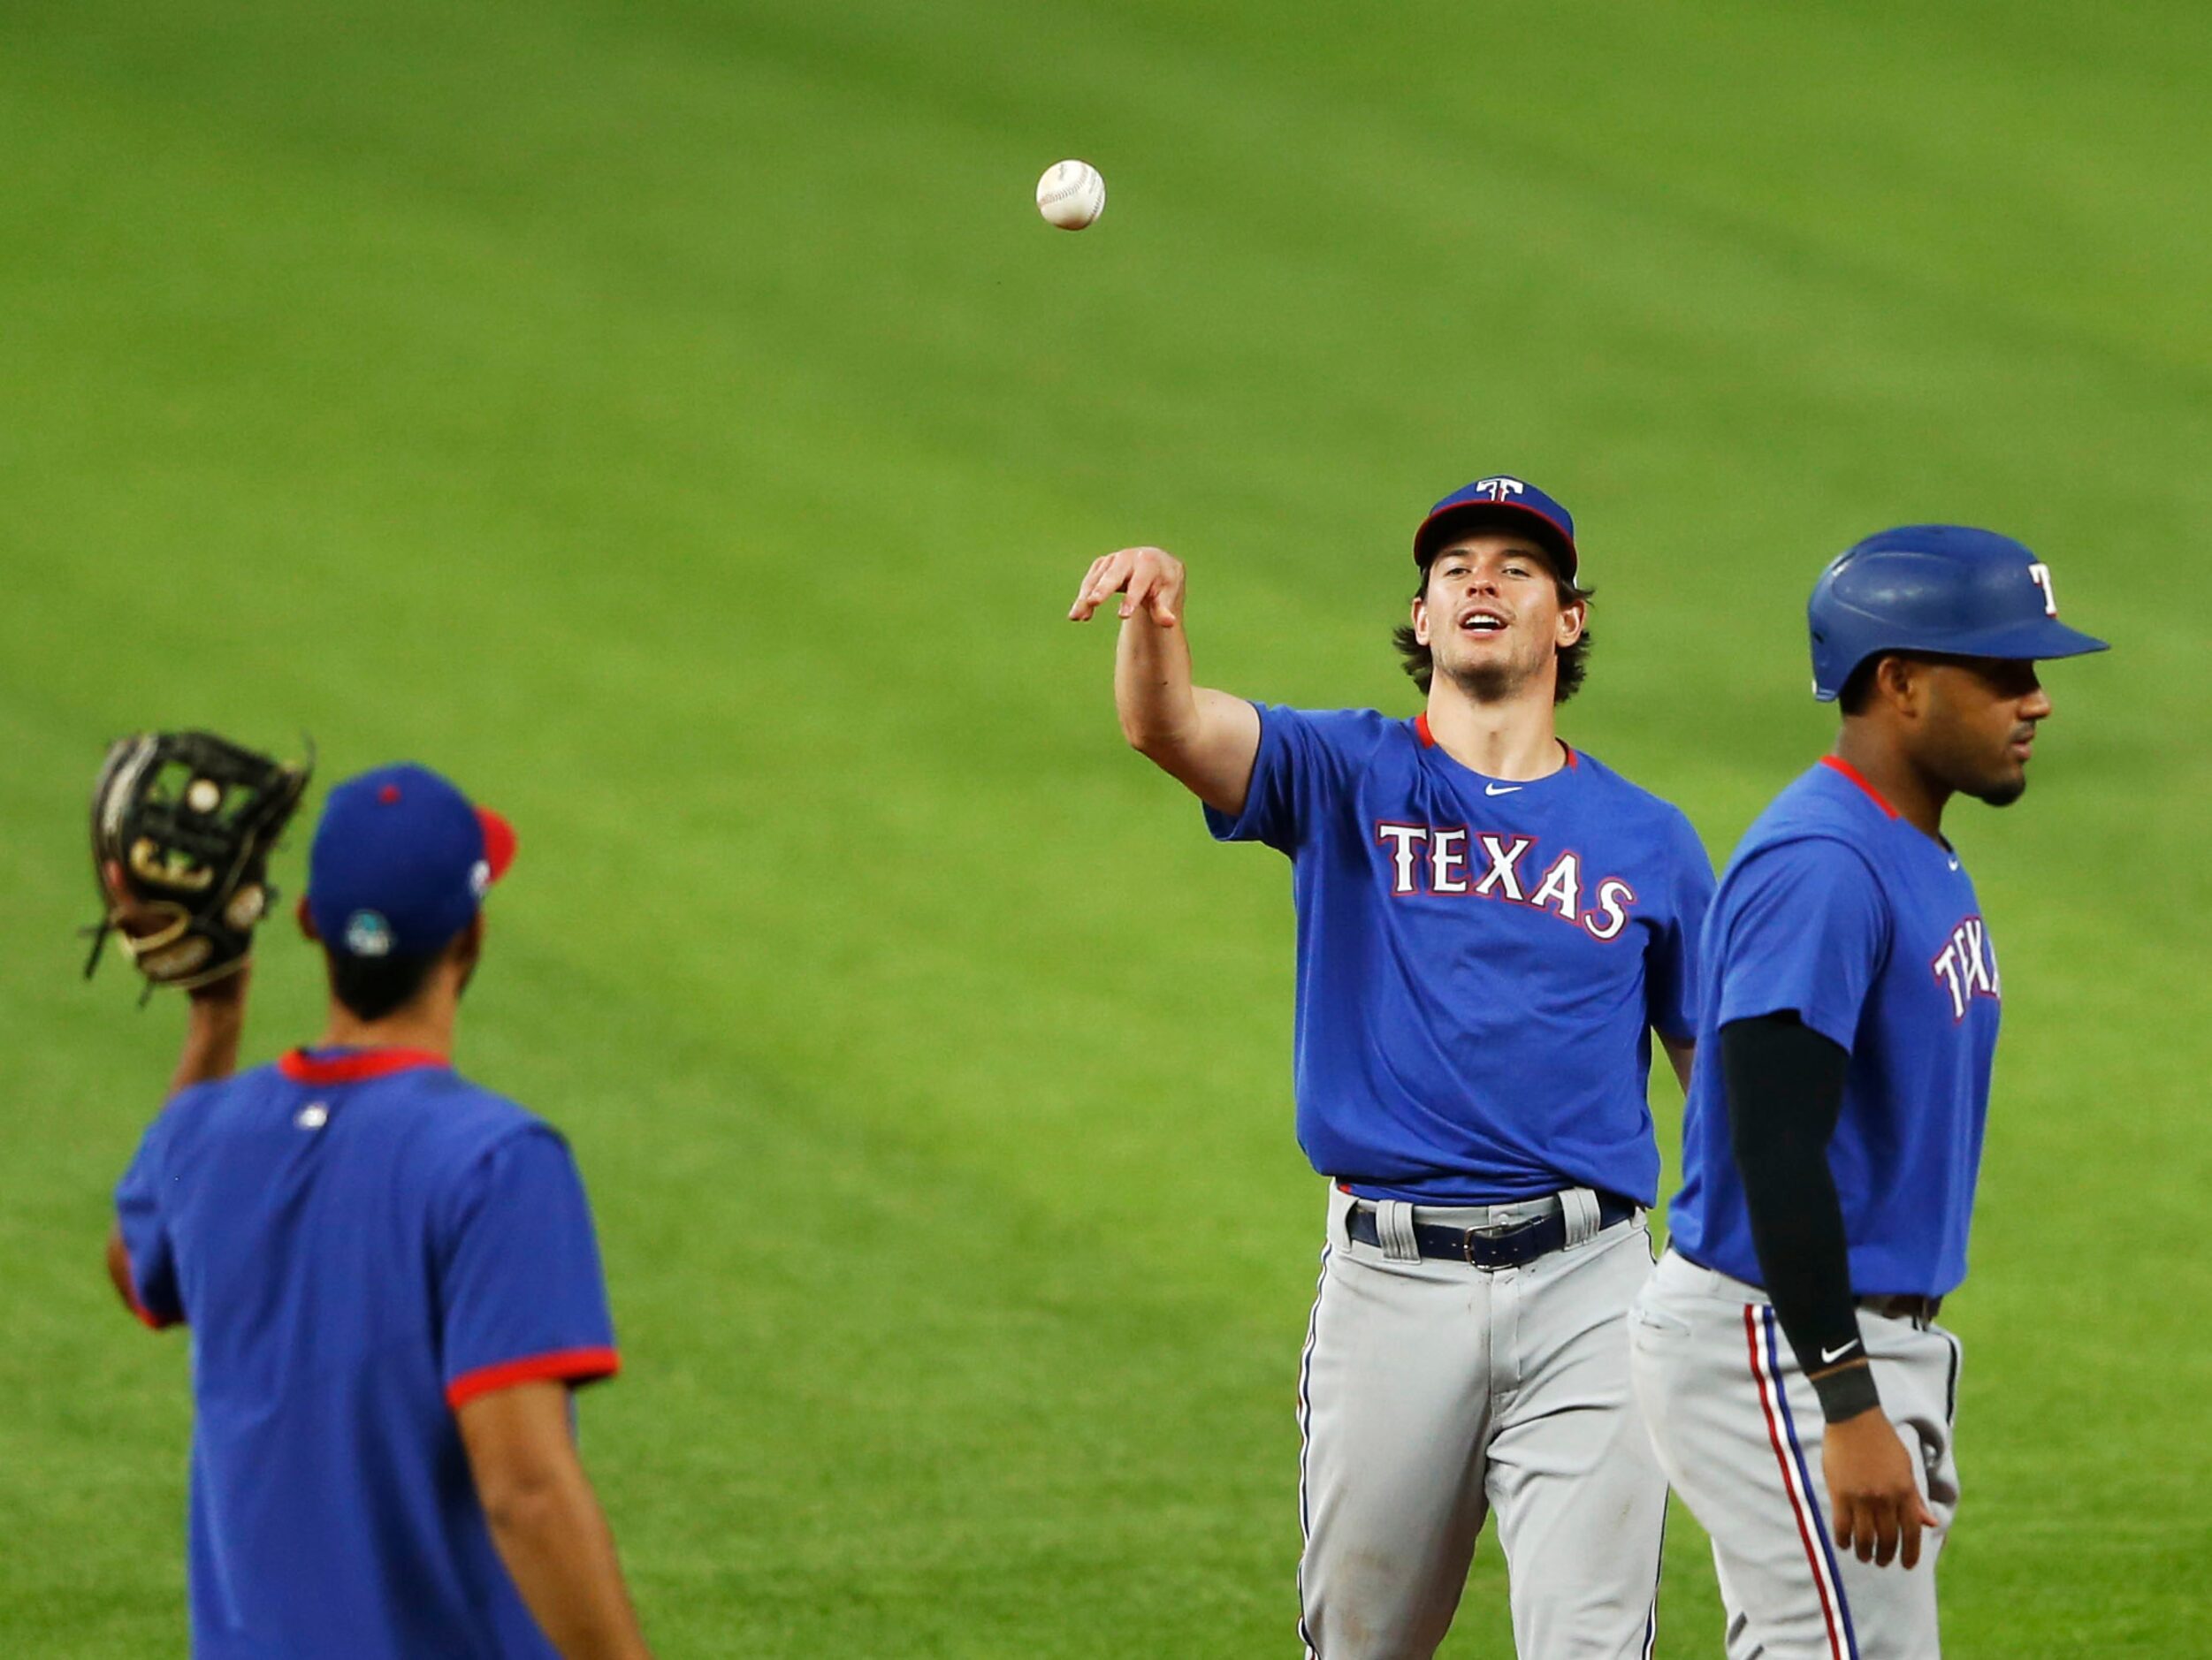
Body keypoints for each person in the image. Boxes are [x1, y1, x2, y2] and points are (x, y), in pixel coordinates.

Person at [1069, 476, 1715, 1657]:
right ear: (1419, 620)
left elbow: (1714, 1080)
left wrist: (1739, 1285)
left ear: (1566, 620)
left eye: (1517, 568)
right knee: (1362, 1643)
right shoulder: (1343, 771)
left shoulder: (1647, 837)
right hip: (1389, 1286)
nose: (1481, 579)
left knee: (1593, 1643)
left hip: (1592, 1287)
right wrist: (1152, 622)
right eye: (1454, 565)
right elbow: (1167, 727)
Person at [1629, 527, 2106, 1658]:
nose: (2034, 701)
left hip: (1838, 1339)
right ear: (1898, 681)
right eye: (2002, 672)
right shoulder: (1823, 865)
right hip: (1782, 1341)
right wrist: (1843, 1398)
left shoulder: (1911, 847)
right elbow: (1771, 1143)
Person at [104, 762, 653, 1660]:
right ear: (469, 935)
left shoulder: (204, 1136)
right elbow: (525, 1488)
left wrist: (214, 1020)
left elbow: (138, 1263)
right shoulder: (496, 1164)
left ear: (311, 927)